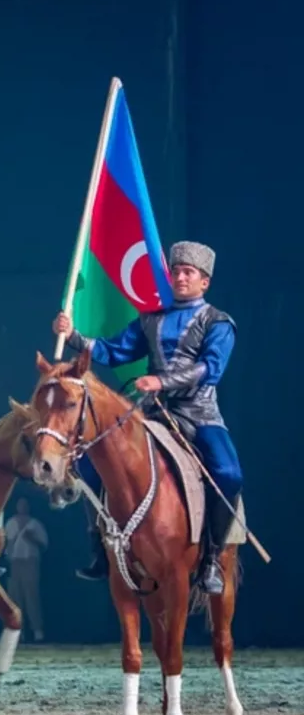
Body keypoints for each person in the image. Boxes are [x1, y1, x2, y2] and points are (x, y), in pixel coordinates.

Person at [52, 240, 240, 594]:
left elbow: (210, 369)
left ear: (205, 282)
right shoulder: (151, 318)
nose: (181, 278)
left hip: (198, 413)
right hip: (151, 411)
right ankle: (99, 547)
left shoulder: (219, 322)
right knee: (93, 461)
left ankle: (212, 557)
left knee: (229, 474)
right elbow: (112, 350)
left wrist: (161, 380)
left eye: (189, 273)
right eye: (177, 272)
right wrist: (73, 335)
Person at [3, 496, 48, 642]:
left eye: (25, 504)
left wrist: (32, 538)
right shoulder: (11, 523)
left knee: (31, 596)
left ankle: (37, 630)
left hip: (30, 562)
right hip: (15, 562)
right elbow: (6, 543)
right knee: (15, 597)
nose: (22, 507)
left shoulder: (35, 524)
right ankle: (18, 631)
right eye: (20, 504)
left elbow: (44, 545)